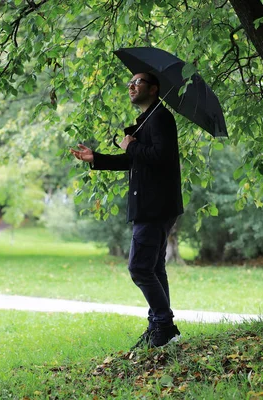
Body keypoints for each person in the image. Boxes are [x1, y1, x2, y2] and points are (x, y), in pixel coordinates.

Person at [70, 72, 184, 349]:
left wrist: (132, 145)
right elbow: (134, 162)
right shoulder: (146, 121)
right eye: (129, 84)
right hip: (152, 204)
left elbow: (160, 157)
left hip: (155, 205)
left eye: (138, 83)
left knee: (139, 268)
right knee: (154, 268)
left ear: (154, 88)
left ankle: (164, 324)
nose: (131, 87)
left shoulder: (161, 118)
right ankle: (158, 326)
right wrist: (95, 158)